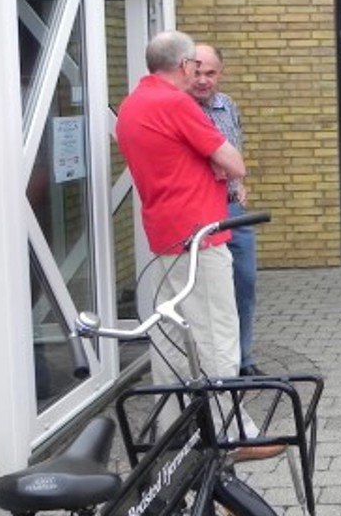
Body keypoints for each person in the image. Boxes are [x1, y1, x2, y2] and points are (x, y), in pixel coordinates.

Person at [116, 31, 276, 455]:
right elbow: (234, 162)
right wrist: (216, 165)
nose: (199, 75)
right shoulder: (176, 103)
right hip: (200, 236)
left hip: (165, 235)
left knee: (171, 334)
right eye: (195, 67)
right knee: (216, 332)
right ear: (184, 65)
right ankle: (231, 433)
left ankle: (174, 430)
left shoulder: (133, 104)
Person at [189, 43, 262, 377]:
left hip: (232, 209)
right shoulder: (179, 109)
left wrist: (238, 182)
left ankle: (242, 360)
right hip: (199, 211)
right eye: (197, 72)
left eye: (210, 73)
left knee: (244, 283)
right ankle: (210, 365)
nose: (203, 80)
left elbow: (235, 148)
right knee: (207, 291)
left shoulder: (227, 105)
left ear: (221, 73)